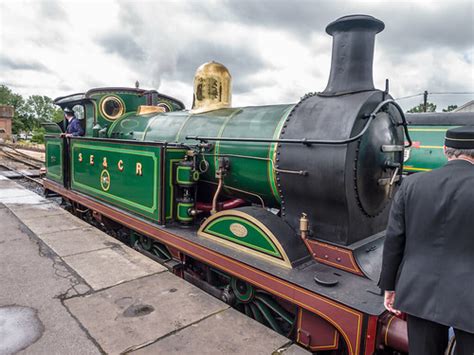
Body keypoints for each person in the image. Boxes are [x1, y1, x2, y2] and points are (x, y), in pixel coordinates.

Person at [379, 126, 474, 355]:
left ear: (444, 150)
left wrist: (389, 286)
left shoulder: (411, 184)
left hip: (420, 291)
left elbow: (394, 240)